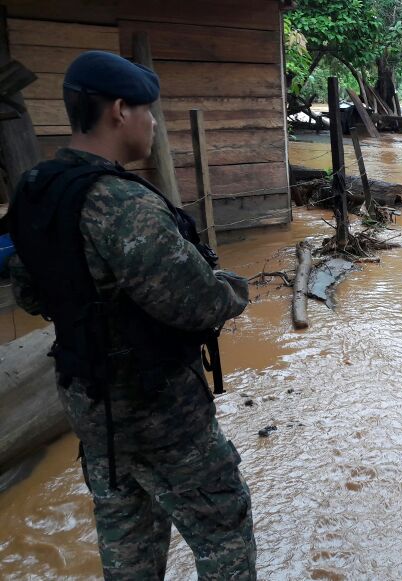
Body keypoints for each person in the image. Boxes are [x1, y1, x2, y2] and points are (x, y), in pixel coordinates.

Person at [7, 51, 256, 579]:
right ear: (121, 111)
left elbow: (30, 294)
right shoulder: (122, 204)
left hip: (91, 407)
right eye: (150, 112)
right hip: (162, 412)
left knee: (128, 544)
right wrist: (235, 288)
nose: (154, 125)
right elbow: (195, 303)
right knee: (224, 536)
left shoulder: (36, 189)